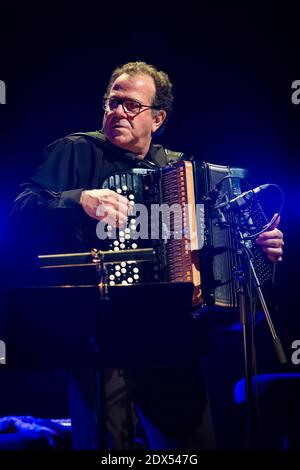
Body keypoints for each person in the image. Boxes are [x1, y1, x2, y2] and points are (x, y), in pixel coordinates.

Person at [10, 61, 284, 449]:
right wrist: (80, 199)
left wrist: (258, 249)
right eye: (112, 102)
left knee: (194, 448)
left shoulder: (181, 169)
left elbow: (218, 250)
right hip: (101, 331)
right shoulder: (76, 151)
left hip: (171, 335)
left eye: (130, 105)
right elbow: (19, 209)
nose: (117, 111)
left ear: (158, 118)